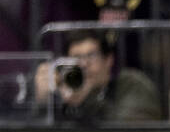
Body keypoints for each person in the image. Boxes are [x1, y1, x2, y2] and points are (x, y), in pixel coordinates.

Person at [34, 29, 162, 124]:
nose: (83, 64)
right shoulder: (64, 92)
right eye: (76, 58)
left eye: (91, 56)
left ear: (109, 60)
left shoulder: (131, 84)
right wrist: (44, 103)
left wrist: (84, 101)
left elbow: (132, 128)